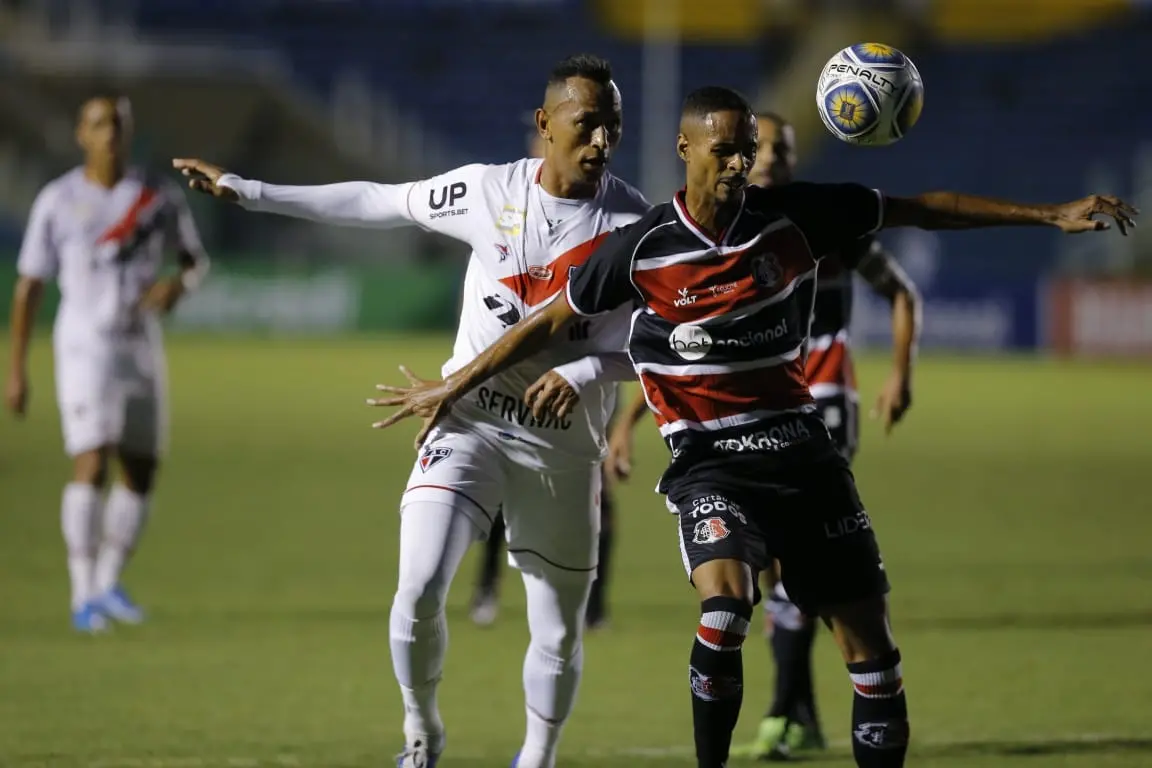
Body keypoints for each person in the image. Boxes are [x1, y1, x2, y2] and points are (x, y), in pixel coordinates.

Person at [367, 86, 1136, 768]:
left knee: (872, 655)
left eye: (749, 151)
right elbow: (545, 322)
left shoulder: (795, 217)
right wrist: (455, 381)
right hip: (710, 464)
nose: (741, 164)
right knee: (727, 607)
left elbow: (919, 208)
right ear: (687, 149)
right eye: (727, 149)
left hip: (805, 455)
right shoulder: (638, 247)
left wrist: (1047, 214)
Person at [174, 54, 648, 768]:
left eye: (613, 125)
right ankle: (421, 733)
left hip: (559, 443)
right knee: (420, 585)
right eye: (588, 124)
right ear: (545, 125)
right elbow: (379, 200)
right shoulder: (487, 192)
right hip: (469, 419)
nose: (602, 141)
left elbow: (662, 344)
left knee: (556, 629)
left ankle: (538, 757)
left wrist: (584, 369)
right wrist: (252, 191)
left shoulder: (635, 226)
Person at [605, 110, 923, 760]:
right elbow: (693, 357)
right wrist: (628, 420)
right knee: (768, 586)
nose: (765, 160)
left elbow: (900, 286)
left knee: (800, 580)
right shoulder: (714, 238)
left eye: (775, 149)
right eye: (760, 148)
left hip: (817, 398)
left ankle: (791, 706)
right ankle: (791, 706)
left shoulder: (815, 223)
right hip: (742, 424)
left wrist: (900, 373)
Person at [5, 95, 210, 633]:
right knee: (92, 459)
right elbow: (29, 285)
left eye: (118, 124)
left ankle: (108, 582)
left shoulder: (155, 196)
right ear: (81, 135)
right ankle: (81, 596)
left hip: (139, 340)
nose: (110, 133)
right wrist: (17, 367)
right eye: (99, 125)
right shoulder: (59, 200)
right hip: (84, 343)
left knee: (141, 467)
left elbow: (195, 260)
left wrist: (178, 286)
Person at [469, 112, 618, 631]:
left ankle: (593, 601)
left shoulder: (607, 219)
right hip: (505, 395)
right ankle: (487, 588)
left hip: (572, 401)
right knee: (497, 501)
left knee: (599, 505)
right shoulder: (507, 204)